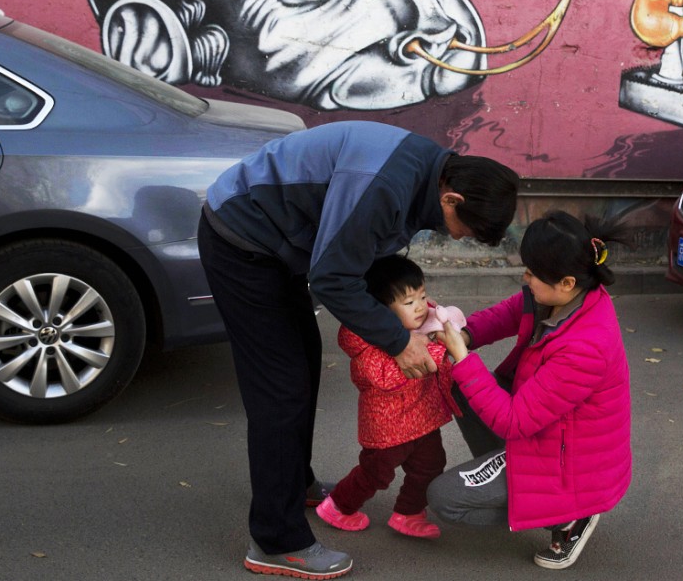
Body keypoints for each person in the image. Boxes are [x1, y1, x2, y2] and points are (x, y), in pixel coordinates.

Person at [197, 120, 519, 579]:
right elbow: (330, 276)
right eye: (462, 229)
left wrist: (416, 313)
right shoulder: (385, 184)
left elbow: (357, 257)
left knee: (302, 368)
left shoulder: (429, 169)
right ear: (452, 199)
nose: (458, 237)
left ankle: (296, 484)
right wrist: (397, 341)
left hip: (282, 247)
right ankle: (275, 540)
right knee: (281, 392)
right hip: (243, 242)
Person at [428, 210, 632, 571]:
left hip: (568, 466)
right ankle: (519, 480)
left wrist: (462, 358)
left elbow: (511, 421)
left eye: (532, 273)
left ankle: (567, 517)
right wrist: (465, 335)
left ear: (567, 282)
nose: (525, 277)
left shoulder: (586, 348)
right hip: (548, 433)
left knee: (444, 499)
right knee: (460, 382)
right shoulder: (568, 295)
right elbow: (508, 313)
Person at [316, 255, 463, 539]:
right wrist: (435, 351)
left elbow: (438, 368)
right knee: (376, 473)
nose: (420, 306)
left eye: (422, 295)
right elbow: (387, 377)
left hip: (423, 419)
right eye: (409, 302)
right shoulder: (368, 344)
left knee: (431, 465)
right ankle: (338, 506)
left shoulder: (424, 327)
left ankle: (408, 513)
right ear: (382, 311)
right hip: (388, 428)